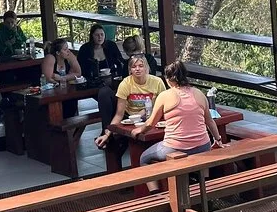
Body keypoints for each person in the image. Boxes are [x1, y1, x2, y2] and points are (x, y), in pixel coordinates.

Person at [133, 61, 227, 194]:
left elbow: (150, 124)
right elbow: (210, 121)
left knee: (144, 158)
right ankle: (204, 186)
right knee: (203, 152)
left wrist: (138, 129)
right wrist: (218, 139)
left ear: (168, 79)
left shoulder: (165, 96)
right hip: (202, 145)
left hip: (175, 146)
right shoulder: (199, 93)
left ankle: (156, 196)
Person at [94, 54, 166, 150]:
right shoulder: (125, 83)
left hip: (151, 116)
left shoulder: (157, 82)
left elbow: (164, 105)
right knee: (104, 92)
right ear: (130, 70)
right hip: (130, 118)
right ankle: (106, 137)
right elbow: (119, 114)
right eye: (134, 67)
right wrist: (107, 134)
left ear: (146, 68)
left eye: (141, 66)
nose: (137, 69)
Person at [42, 39, 82, 118]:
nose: (68, 51)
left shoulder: (69, 55)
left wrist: (62, 78)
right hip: (50, 93)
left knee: (72, 100)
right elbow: (48, 78)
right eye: (65, 49)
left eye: (68, 48)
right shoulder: (50, 58)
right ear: (58, 53)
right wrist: (67, 77)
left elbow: (78, 73)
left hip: (66, 89)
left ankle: (71, 123)